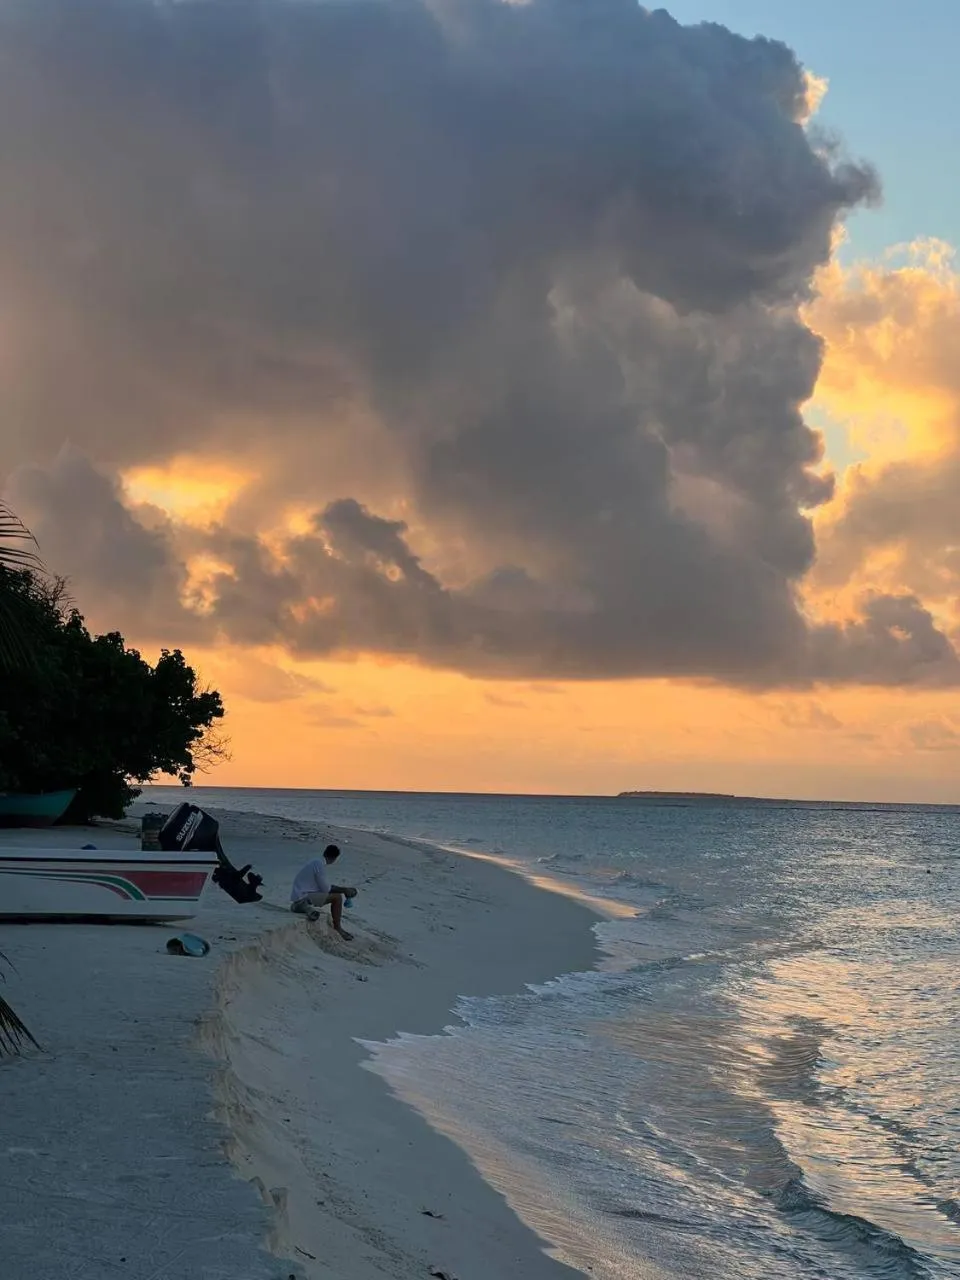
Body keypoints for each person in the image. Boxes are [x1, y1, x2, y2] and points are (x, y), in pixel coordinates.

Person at [290, 844, 357, 940]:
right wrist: (344, 890)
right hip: (303, 897)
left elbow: (323, 887)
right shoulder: (319, 865)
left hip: (301, 895)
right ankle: (338, 927)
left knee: (335, 893)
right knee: (337, 897)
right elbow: (326, 889)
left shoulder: (315, 862)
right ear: (334, 858)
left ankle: (306, 908)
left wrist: (342, 889)